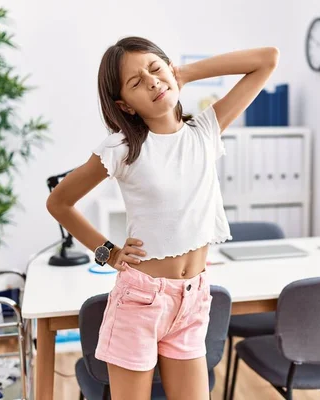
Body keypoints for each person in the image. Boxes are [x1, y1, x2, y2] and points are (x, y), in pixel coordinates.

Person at [46, 36, 279, 400]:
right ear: (125, 105)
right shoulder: (122, 147)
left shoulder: (205, 131)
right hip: (140, 302)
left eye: (155, 69)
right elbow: (59, 202)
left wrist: (183, 72)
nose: (152, 81)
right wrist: (107, 251)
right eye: (137, 82)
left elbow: (267, 58)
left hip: (193, 298)